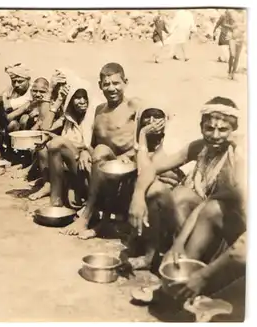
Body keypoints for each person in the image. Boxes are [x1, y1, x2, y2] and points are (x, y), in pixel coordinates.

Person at [129, 96, 246, 305]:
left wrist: (180, 244)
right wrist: (137, 197)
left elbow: (209, 208)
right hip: (198, 222)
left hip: (230, 240)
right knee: (157, 189)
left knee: (185, 196)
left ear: (234, 130)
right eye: (209, 128)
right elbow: (153, 168)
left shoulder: (237, 160)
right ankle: (167, 261)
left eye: (223, 130)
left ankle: (183, 274)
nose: (215, 135)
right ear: (201, 127)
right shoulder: (200, 147)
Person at [60, 63, 142, 239]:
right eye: (106, 84)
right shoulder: (99, 110)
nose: (111, 88)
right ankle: (97, 216)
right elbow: (93, 145)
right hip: (103, 165)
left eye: (116, 83)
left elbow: (155, 127)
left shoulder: (134, 105)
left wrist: (130, 155)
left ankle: (86, 216)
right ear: (100, 85)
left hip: (127, 167)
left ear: (125, 82)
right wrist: (83, 152)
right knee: (88, 150)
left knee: (102, 151)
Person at [125, 107, 186, 270]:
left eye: (157, 118)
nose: (152, 122)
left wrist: (144, 136)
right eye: (147, 118)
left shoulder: (171, 145)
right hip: (155, 205)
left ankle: (150, 255)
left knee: (154, 188)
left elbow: (149, 169)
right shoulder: (138, 148)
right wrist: (143, 136)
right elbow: (143, 170)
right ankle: (147, 250)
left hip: (175, 206)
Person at [28, 78, 95, 205]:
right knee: (43, 144)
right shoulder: (68, 116)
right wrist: (58, 101)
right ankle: (48, 184)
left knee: (56, 141)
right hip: (67, 165)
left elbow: (89, 146)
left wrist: (58, 139)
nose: (82, 102)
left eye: (84, 97)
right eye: (77, 97)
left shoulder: (93, 116)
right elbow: (45, 128)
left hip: (85, 166)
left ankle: (68, 190)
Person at [0, 63, 33, 157]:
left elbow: (8, 113)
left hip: (22, 124)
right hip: (8, 120)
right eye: (14, 81)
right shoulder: (12, 89)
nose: (16, 84)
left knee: (18, 121)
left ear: (28, 80)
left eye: (20, 81)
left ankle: (21, 154)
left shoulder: (30, 93)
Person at [226, 10, 246, 80]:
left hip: (239, 40)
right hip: (234, 40)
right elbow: (229, 27)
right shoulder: (238, 23)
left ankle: (232, 73)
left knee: (235, 57)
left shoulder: (243, 24)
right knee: (233, 57)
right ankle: (230, 72)